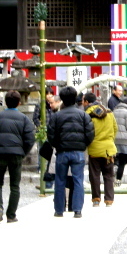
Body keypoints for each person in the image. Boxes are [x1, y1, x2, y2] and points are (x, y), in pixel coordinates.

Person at [0, 90, 35, 223]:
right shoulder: (24, 119)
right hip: (16, 153)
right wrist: (23, 151)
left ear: (5, 102)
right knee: (14, 185)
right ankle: (11, 214)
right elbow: (30, 138)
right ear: (19, 103)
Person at [48, 86, 94, 218]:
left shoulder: (57, 116)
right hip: (78, 151)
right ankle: (77, 209)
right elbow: (90, 134)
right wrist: (83, 145)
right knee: (78, 180)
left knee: (60, 180)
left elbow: (51, 135)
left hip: (62, 151)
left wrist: (57, 145)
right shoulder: (83, 115)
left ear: (62, 99)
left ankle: (59, 209)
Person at [83, 92, 118, 207]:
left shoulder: (87, 114)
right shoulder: (109, 112)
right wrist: (110, 139)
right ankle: (109, 200)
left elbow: (86, 132)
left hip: (94, 148)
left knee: (94, 175)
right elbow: (115, 128)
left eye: (84, 101)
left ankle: (96, 199)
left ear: (87, 102)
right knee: (108, 175)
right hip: (108, 149)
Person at [112, 97, 127, 186]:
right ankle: (118, 180)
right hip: (124, 140)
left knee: (117, 158)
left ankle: (115, 167)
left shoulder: (113, 112)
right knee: (124, 159)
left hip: (114, 139)